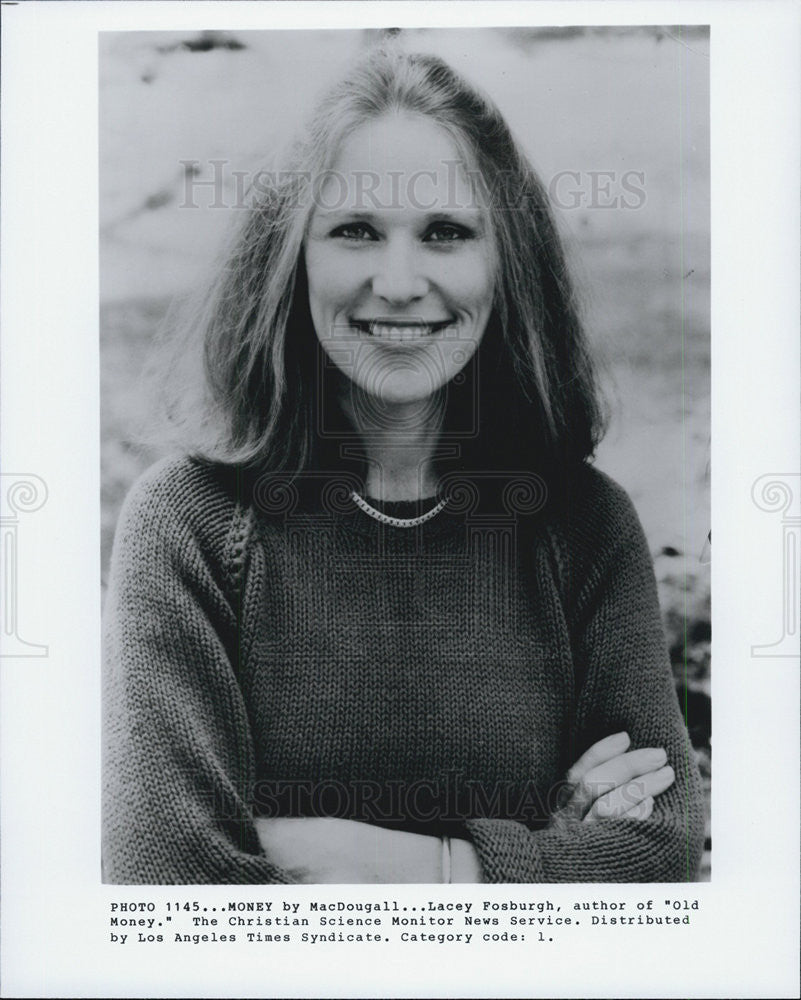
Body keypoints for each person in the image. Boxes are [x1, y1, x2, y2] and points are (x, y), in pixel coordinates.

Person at [102, 47, 705, 884]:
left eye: (446, 233)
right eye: (353, 231)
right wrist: (542, 851)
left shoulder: (581, 523)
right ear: (290, 258)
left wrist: (346, 857)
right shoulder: (189, 523)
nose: (396, 282)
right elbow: (170, 877)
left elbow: (657, 852)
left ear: (509, 263)